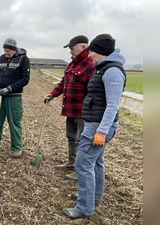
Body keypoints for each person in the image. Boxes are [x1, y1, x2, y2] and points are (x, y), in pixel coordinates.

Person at [62, 34, 127, 219]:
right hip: (96, 123)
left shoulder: (112, 71)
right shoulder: (103, 68)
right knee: (96, 163)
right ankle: (92, 198)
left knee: (83, 164)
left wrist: (101, 132)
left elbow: (113, 105)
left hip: (98, 127)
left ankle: (84, 207)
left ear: (102, 52)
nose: (89, 55)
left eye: (92, 51)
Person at [43, 35, 95, 180]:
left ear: (83, 47)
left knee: (82, 140)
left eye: (73, 48)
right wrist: (52, 94)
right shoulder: (72, 64)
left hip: (83, 112)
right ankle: (72, 162)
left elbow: (94, 91)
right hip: (70, 109)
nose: (71, 51)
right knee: (71, 137)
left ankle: (81, 170)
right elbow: (63, 83)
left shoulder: (89, 65)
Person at [0, 37, 30, 158]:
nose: (6, 53)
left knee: (14, 122)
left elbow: (25, 78)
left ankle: (16, 148)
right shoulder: (1, 59)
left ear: (14, 50)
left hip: (14, 97)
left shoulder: (23, 59)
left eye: (8, 50)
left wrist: (9, 89)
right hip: (0, 96)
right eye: (5, 50)